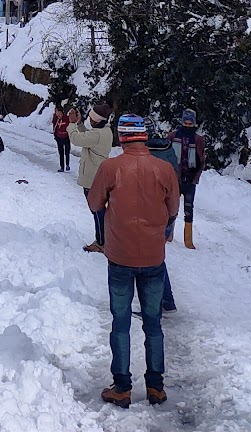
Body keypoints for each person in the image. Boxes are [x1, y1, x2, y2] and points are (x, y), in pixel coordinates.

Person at [87, 113, 180, 408]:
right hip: (153, 257)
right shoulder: (164, 169)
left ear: (121, 137)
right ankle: (156, 387)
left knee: (121, 322)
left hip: (120, 257)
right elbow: (173, 208)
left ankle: (122, 387)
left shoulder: (110, 167)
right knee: (153, 323)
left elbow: (94, 203)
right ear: (144, 135)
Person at [68, 100, 115, 251]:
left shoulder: (97, 134)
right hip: (99, 176)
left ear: (98, 120)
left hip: (92, 178)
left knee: (97, 210)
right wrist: (80, 124)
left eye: (92, 119)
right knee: (100, 210)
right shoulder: (105, 131)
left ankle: (101, 242)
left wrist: (72, 124)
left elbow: (76, 139)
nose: (90, 120)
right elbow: (87, 137)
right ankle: (105, 238)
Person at [145, 124, 180, 312]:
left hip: (153, 215)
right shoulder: (168, 149)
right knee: (156, 259)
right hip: (167, 213)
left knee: (151, 262)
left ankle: (156, 305)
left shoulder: (147, 157)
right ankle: (167, 301)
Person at [172, 109, 206, 248]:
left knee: (188, 209)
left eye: (190, 123)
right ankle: (168, 235)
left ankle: (188, 240)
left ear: (194, 123)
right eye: (185, 123)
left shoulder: (198, 140)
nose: (187, 125)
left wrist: (195, 177)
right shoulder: (173, 136)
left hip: (190, 179)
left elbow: (202, 161)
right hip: (175, 178)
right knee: (171, 208)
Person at [51, 105, 73, 172]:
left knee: (67, 151)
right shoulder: (56, 119)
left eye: (56, 111)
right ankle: (62, 167)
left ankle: (67, 165)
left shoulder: (66, 118)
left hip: (66, 137)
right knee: (61, 152)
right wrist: (55, 136)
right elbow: (54, 127)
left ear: (60, 111)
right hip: (59, 138)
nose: (55, 113)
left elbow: (70, 126)